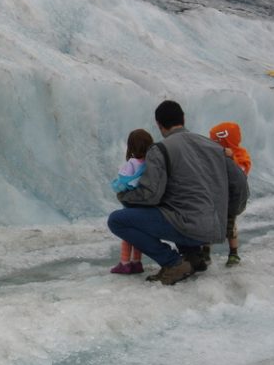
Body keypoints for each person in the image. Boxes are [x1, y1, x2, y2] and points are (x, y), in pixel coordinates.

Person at [107, 101, 249, 285]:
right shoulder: (213, 147)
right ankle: (193, 257)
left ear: (159, 125)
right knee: (179, 205)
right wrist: (228, 214)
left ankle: (173, 262)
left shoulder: (160, 149)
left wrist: (124, 197)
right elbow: (240, 184)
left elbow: (151, 195)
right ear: (183, 119)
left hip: (187, 226)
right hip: (214, 227)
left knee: (117, 220)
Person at [204, 122, 252, 267]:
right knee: (208, 224)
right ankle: (205, 252)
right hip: (215, 197)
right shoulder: (215, 155)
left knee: (230, 226)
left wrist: (231, 159)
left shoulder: (241, 154)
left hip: (231, 199)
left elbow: (242, 171)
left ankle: (233, 253)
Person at [110, 129, 154, 274]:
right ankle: (137, 262)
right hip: (144, 204)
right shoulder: (151, 163)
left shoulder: (132, 162)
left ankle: (124, 263)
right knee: (138, 233)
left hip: (131, 203)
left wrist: (117, 187)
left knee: (127, 233)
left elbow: (122, 182)